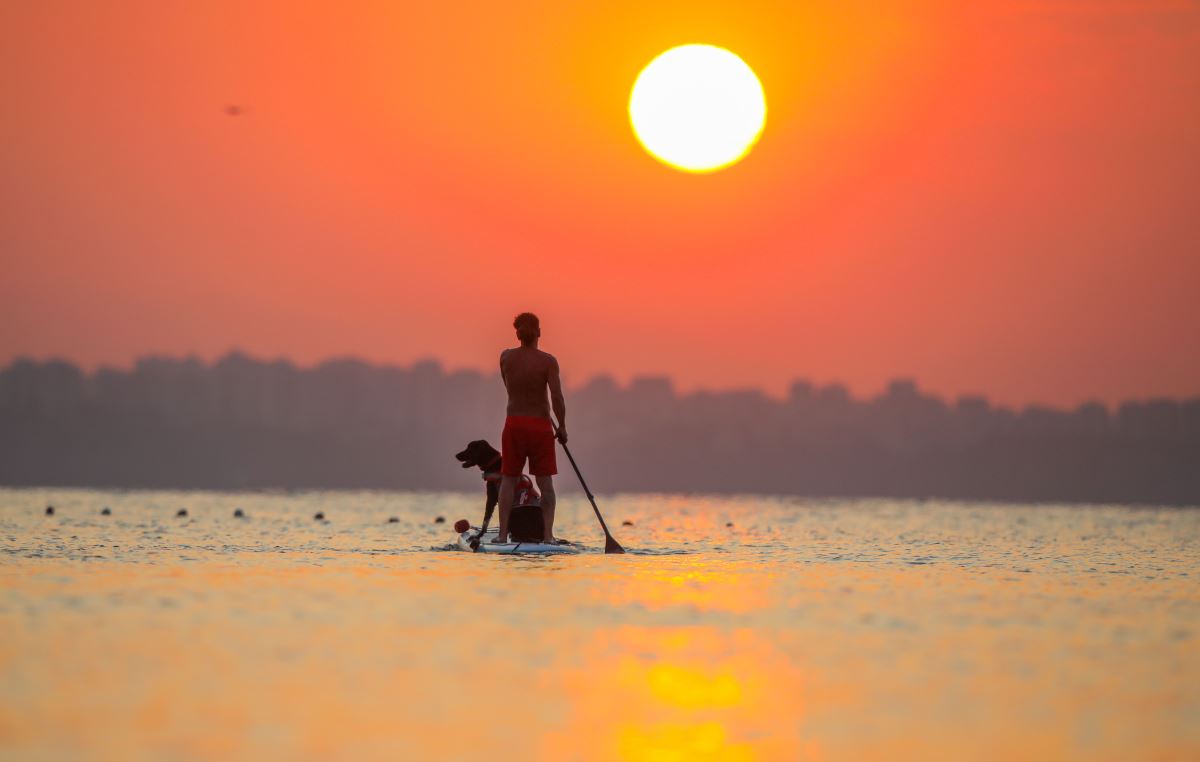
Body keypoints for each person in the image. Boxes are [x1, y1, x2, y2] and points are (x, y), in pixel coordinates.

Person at [495, 312, 566, 543]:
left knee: (509, 479)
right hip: (540, 427)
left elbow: (508, 386)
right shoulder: (548, 361)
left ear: (517, 333)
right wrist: (562, 426)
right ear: (539, 332)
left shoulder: (505, 357)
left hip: (514, 424)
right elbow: (556, 397)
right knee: (545, 483)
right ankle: (548, 537)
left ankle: (503, 535)